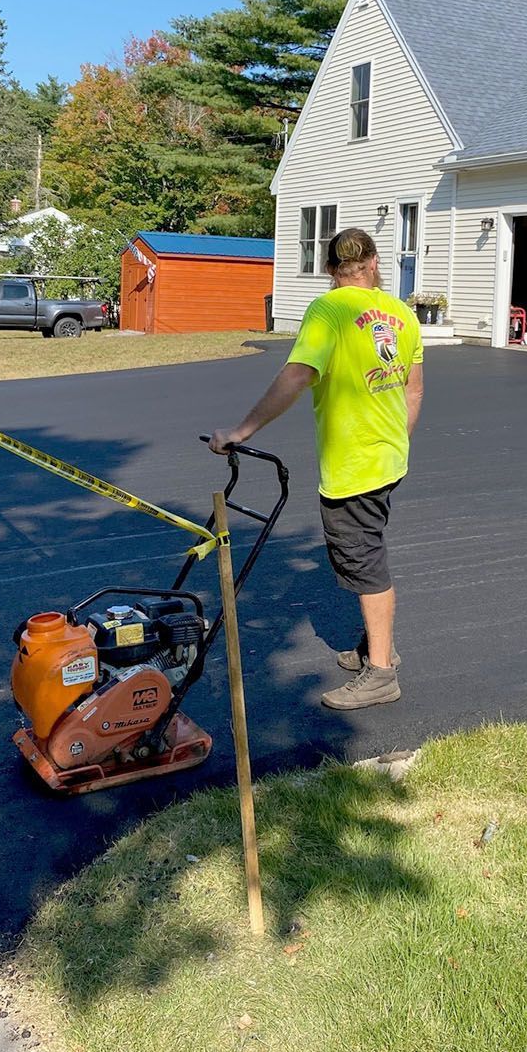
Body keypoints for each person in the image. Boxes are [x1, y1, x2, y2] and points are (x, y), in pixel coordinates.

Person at [209, 226, 424, 709]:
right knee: (364, 550)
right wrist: (395, 442)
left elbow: (299, 374)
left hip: (356, 464)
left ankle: (383, 671)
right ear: (373, 264)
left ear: (331, 269)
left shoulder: (328, 309)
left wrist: (241, 431)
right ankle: (377, 644)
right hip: (389, 458)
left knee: (364, 561)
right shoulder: (403, 314)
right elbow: (414, 390)